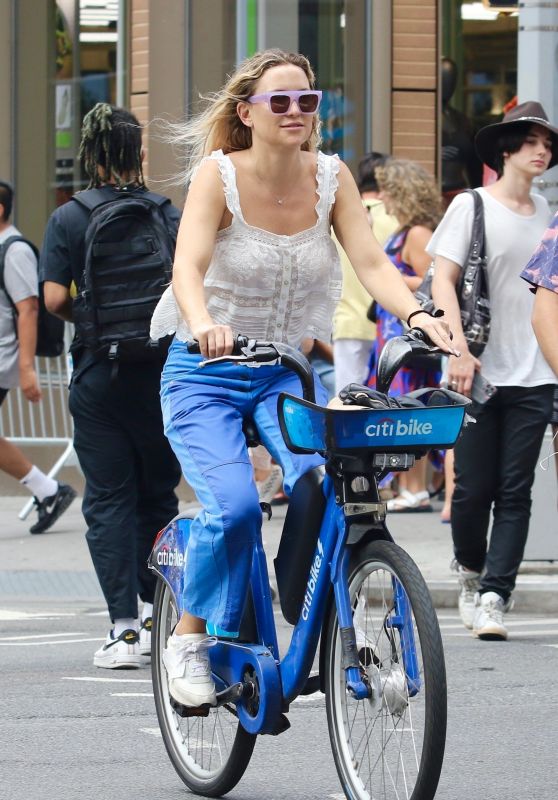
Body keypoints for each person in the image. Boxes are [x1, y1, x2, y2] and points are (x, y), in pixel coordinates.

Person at [149, 49, 456, 708]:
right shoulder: (218, 176)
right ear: (246, 113)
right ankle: (188, 636)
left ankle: (313, 608)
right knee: (232, 507)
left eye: (307, 102)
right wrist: (202, 320)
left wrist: (421, 314)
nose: (295, 112)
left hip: (282, 373)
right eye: (279, 102)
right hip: (205, 370)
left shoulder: (332, 177)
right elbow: (187, 268)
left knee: (323, 482)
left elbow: (373, 263)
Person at [41, 104, 182, 668]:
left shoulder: (69, 217)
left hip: (100, 375)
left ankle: (124, 630)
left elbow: (53, 299)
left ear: (91, 152)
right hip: (162, 373)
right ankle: (162, 616)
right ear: (137, 152)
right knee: (159, 499)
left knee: (108, 502)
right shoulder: (165, 211)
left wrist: (95, 316)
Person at [429, 101, 558, 640]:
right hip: (477, 366)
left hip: (536, 371)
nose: (543, 151)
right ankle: (469, 570)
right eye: (531, 141)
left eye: (548, 145)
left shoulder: (549, 212)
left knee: (516, 489)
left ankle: (493, 595)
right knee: (471, 489)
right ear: (506, 150)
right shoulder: (472, 206)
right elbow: (443, 282)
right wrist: (456, 350)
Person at [365, 158, 444, 512]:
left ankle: (417, 488)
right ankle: (407, 487)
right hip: (392, 332)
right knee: (396, 408)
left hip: (410, 338)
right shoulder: (402, 231)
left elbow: (434, 282)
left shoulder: (417, 233)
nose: (382, 197)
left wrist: (394, 281)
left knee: (411, 407)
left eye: (388, 190)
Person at [0, 180, 76, 534]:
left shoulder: (14, 251)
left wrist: (27, 368)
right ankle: (48, 490)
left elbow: (28, 309)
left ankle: (48, 490)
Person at [332, 152, 398, 395]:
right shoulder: (397, 218)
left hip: (348, 323)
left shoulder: (338, 216)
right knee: (387, 404)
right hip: (390, 326)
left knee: (348, 402)